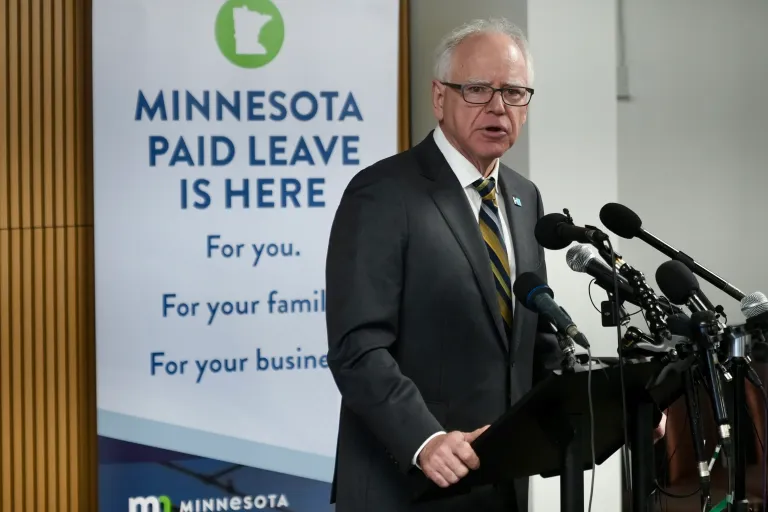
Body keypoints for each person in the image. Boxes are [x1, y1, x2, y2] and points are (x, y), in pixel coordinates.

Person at [324, 18, 666, 512]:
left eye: (513, 92)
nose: (498, 107)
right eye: (479, 90)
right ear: (439, 97)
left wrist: (617, 406)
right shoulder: (382, 194)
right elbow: (357, 348)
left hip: (499, 483)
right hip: (407, 485)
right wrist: (424, 440)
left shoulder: (525, 198)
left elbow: (539, 345)